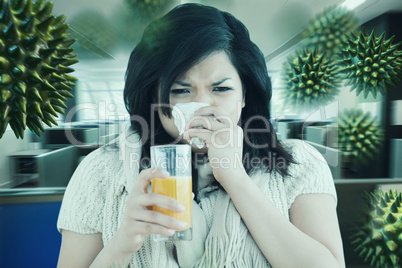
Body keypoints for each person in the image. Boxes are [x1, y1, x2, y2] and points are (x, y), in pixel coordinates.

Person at [57, 3, 345, 268]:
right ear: (154, 99)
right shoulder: (101, 173)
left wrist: (235, 178)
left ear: (245, 95)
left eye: (221, 89)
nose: (202, 107)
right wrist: (122, 244)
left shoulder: (300, 163)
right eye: (181, 90)